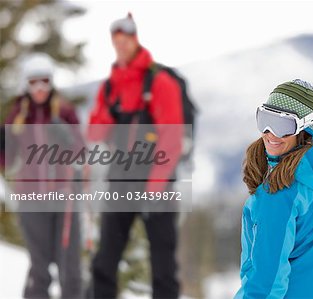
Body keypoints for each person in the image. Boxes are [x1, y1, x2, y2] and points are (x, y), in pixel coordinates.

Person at [87, 14, 183, 298]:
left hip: (158, 182)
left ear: (135, 39)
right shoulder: (110, 86)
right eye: (116, 41)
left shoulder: (159, 82)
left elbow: (172, 137)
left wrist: (154, 187)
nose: (121, 46)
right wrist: (106, 112)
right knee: (105, 257)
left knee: (163, 263)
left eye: (125, 40)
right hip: (120, 178)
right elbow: (95, 133)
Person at [234, 79, 313, 298]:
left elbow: (265, 282)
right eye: (266, 119)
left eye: (284, 125)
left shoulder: (279, 193)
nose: (271, 133)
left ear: (304, 127)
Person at [0, 53, 82, 298]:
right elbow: (8, 158)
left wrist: (68, 137)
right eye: (34, 82)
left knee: (70, 267)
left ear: (51, 82)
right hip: (31, 200)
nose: (39, 88)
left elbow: (80, 153)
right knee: (40, 266)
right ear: (26, 84)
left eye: (44, 81)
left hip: (63, 197)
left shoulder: (64, 112)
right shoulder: (18, 117)